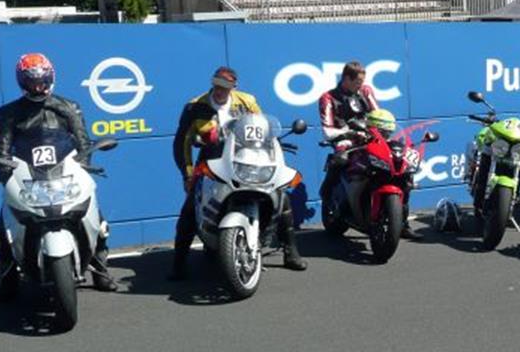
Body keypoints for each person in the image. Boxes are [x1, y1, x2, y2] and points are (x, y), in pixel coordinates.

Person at [0, 53, 117, 301]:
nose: (38, 86)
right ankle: (8, 281)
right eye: (32, 81)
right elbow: (0, 151)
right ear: (22, 82)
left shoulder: (69, 107)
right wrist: (8, 177)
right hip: (29, 179)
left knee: (99, 223)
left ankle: (101, 271)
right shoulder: (8, 113)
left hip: (63, 177)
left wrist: (83, 167)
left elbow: (83, 142)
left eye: (42, 80)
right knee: (1, 233)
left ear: (51, 78)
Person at [169, 66, 306, 278]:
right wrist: (187, 174)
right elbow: (182, 142)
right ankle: (179, 264)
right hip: (212, 161)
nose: (219, 90)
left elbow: (263, 129)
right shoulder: (195, 106)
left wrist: (273, 145)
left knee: (281, 196)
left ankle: (291, 253)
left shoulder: (247, 101)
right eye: (217, 85)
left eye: (225, 87)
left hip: (245, 160)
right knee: (190, 208)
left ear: (234, 87)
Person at [318, 61, 418, 238]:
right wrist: (350, 132)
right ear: (346, 78)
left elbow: (379, 115)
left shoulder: (366, 91)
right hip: (345, 139)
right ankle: (328, 196)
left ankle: (402, 222)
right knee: (341, 159)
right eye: (358, 81)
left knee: (401, 166)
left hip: (372, 137)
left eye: (362, 81)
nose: (361, 85)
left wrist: (385, 129)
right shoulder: (328, 97)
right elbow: (327, 130)